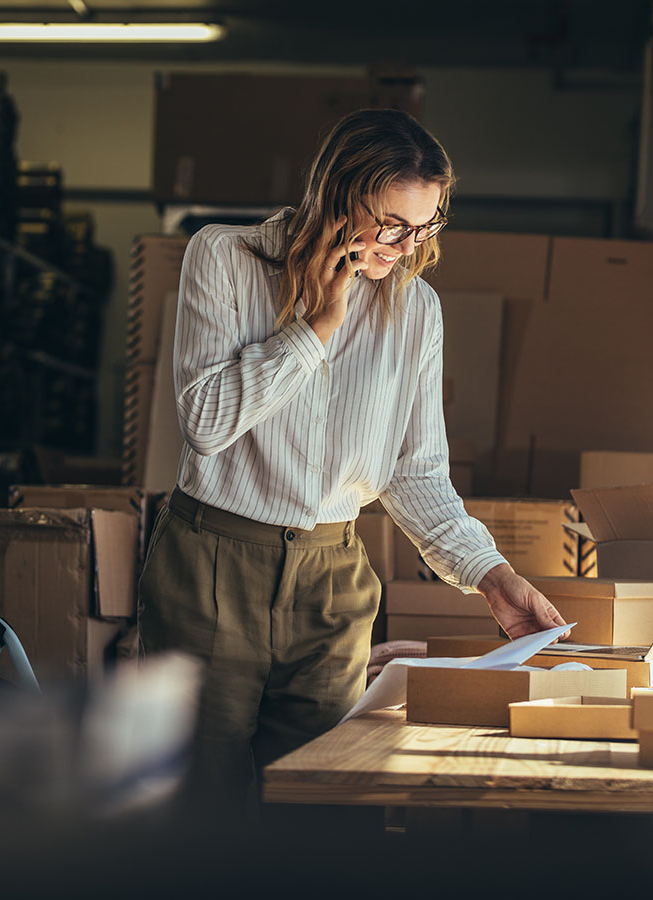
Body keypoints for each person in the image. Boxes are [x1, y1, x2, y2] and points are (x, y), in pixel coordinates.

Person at [138, 107, 568, 815]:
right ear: (338, 194)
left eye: (424, 227)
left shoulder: (416, 310)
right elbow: (206, 424)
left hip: (332, 583)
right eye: (392, 224)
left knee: (318, 807)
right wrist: (317, 329)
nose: (405, 245)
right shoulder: (223, 256)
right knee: (198, 811)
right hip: (210, 567)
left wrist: (494, 578)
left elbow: (416, 472)